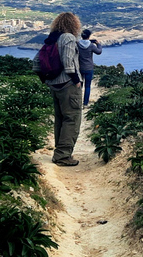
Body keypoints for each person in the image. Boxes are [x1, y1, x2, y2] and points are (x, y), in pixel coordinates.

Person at [32, 12, 83, 167]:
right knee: (72, 119)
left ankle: (60, 152)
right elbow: (68, 62)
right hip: (68, 84)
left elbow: (35, 62)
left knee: (60, 118)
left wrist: (45, 80)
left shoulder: (52, 39)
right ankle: (63, 156)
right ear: (73, 24)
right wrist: (76, 80)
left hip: (54, 85)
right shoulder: (68, 38)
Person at [77, 29, 102, 106]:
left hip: (80, 67)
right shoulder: (91, 45)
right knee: (87, 86)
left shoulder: (77, 44)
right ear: (89, 36)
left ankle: (77, 102)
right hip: (89, 68)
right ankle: (85, 103)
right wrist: (98, 44)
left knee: (79, 86)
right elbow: (99, 52)